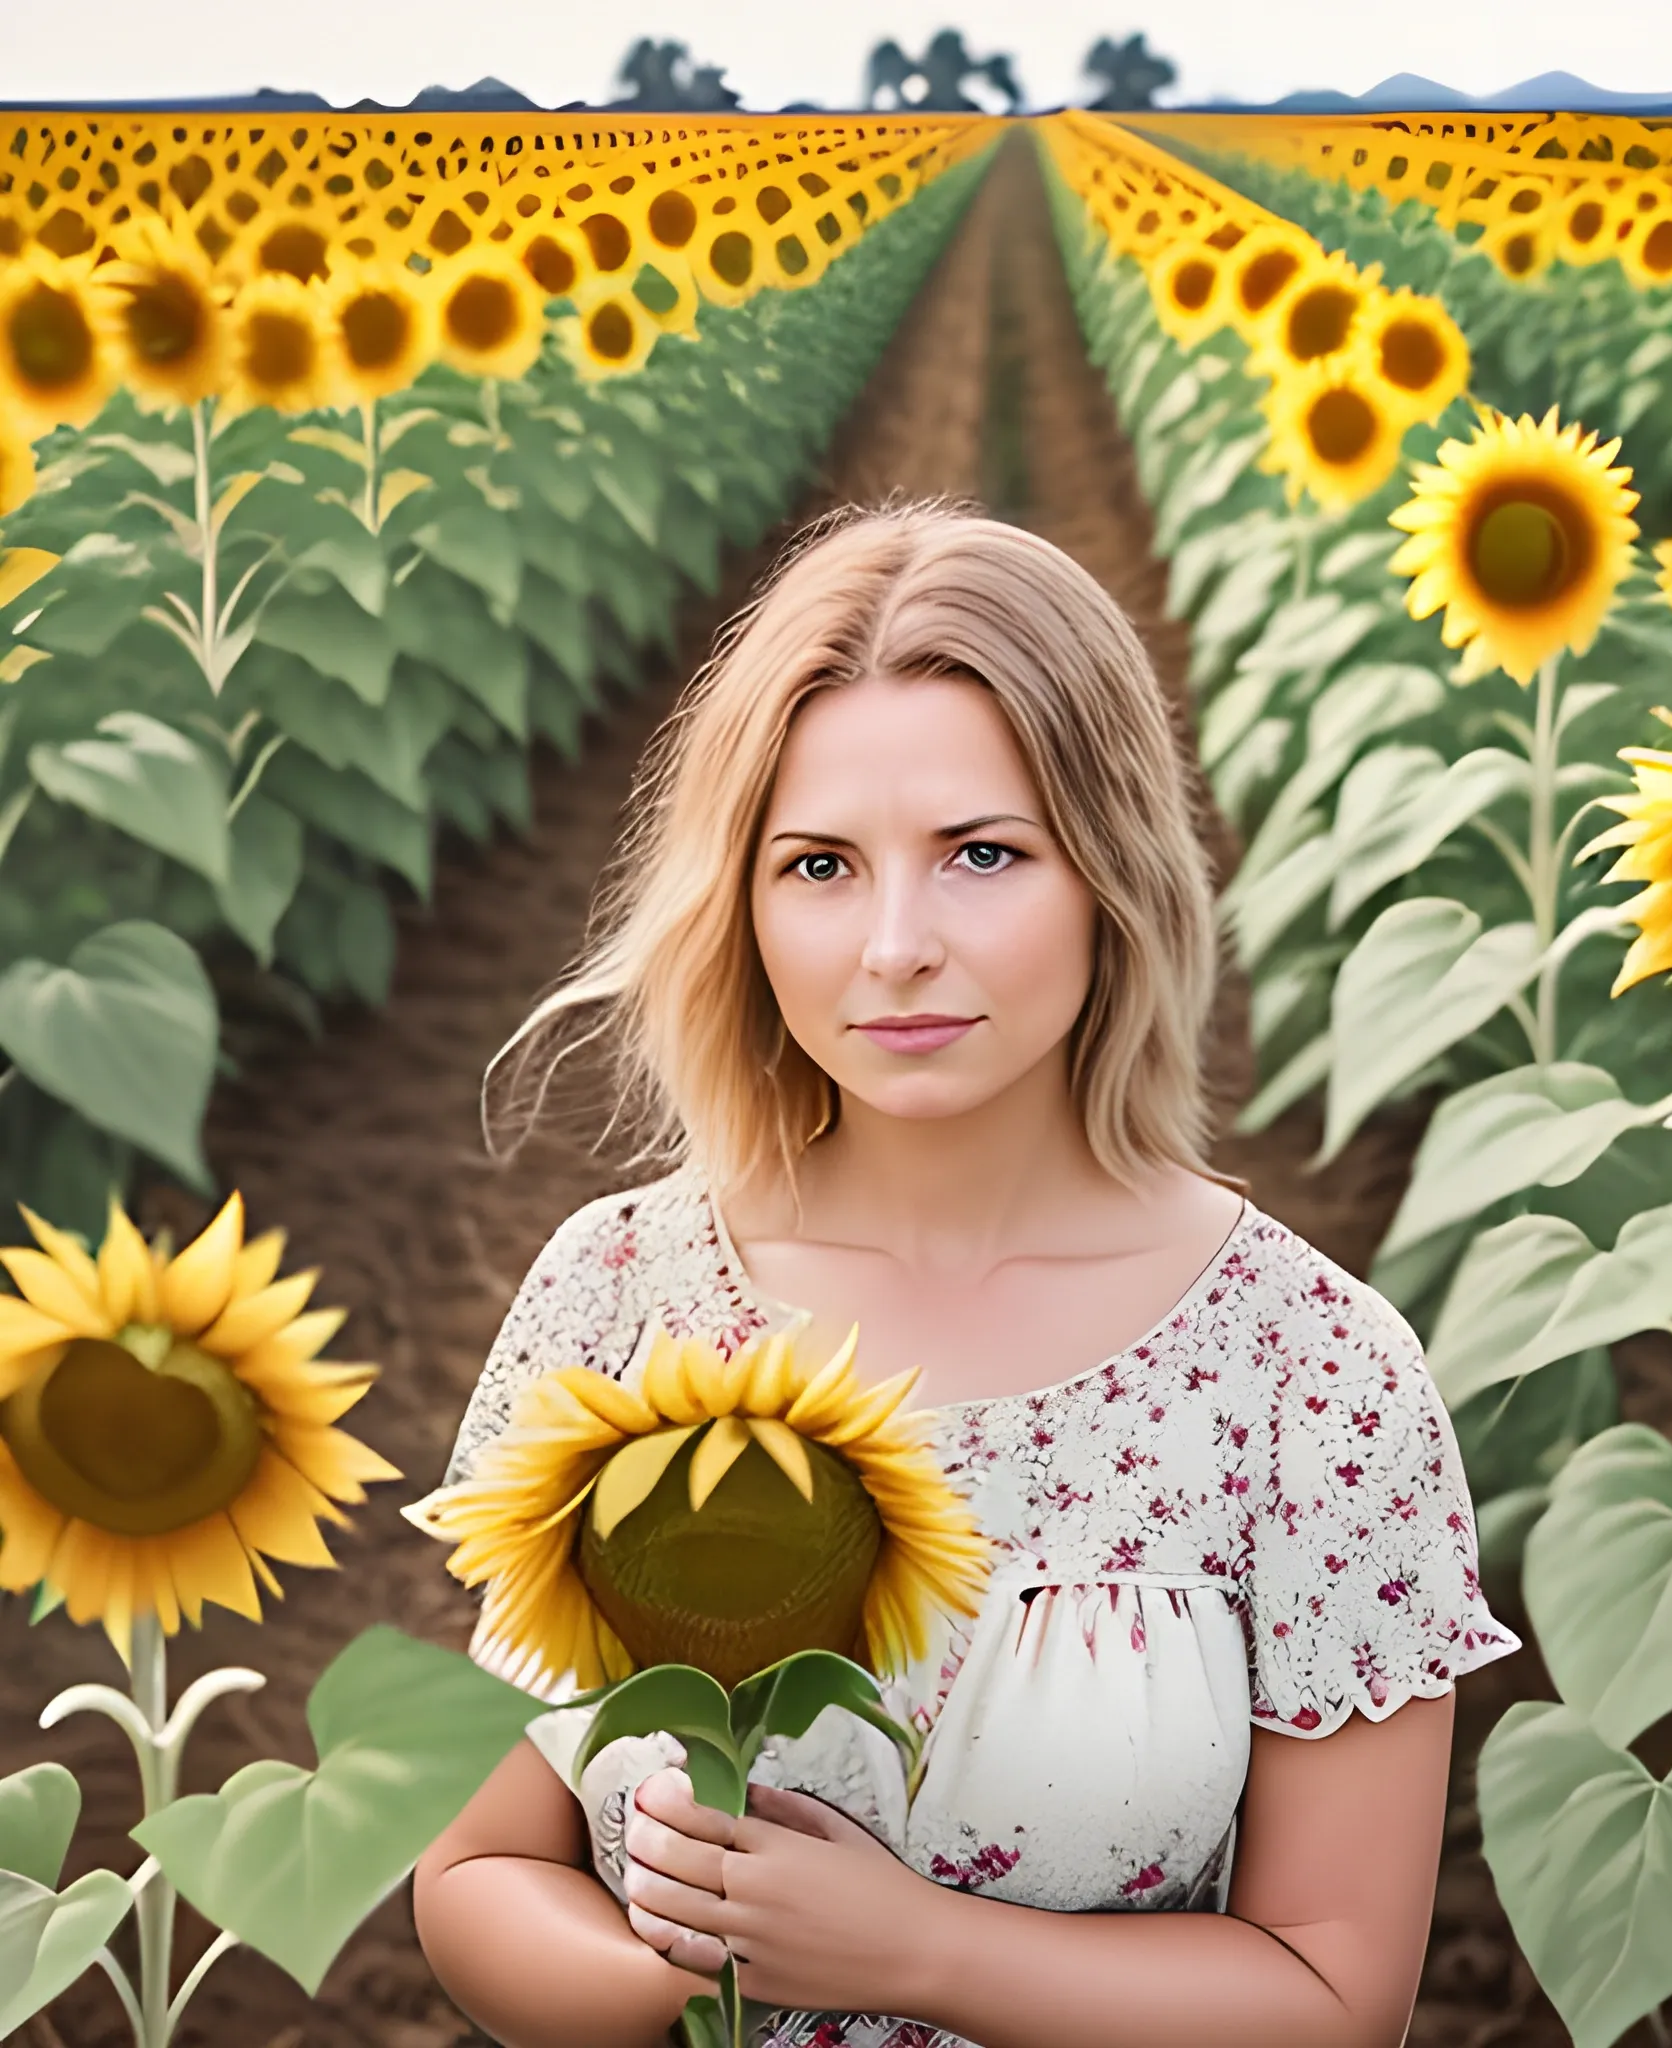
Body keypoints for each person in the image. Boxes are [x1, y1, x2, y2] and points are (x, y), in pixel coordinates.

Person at [411, 502, 1518, 2048]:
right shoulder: (624, 1296)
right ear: (739, 901)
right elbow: (477, 1865)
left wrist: (914, 1952)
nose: (895, 946)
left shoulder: (1306, 1368)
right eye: (819, 866)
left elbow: (1335, 1997)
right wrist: (692, 1960)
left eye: (983, 855)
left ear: (1110, 876)